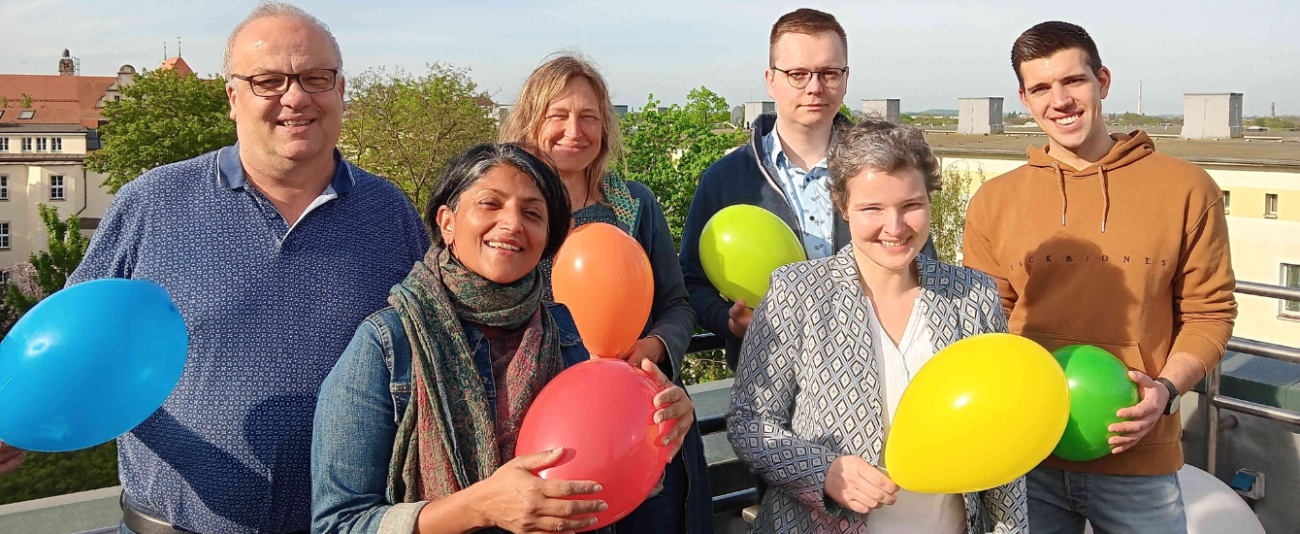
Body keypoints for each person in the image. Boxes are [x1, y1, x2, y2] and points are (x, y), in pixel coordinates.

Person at [66, 4, 430, 533]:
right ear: (233, 98)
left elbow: (433, 351)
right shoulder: (152, 205)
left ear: (341, 91)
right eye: (268, 81)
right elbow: (80, 341)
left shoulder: (390, 213)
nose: (296, 97)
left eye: (316, 78)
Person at [310, 143, 697, 534]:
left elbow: (598, 484)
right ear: (447, 222)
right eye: (490, 204)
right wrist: (479, 507)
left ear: (548, 238)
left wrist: (655, 430)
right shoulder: (388, 345)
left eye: (532, 213)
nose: (513, 223)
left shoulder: (569, 335)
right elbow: (340, 523)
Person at [962, 21, 1237, 534]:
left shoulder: (1187, 189)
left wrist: (1166, 390)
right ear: (1024, 98)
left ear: (1103, 80)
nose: (1060, 100)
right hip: (1027, 458)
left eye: (1074, 81)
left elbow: (1210, 312)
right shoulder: (993, 202)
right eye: (1041, 88)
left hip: (1138, 460)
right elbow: (986, 322)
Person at [727, 119, 1027, 533]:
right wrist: (823, 471)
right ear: (842, 204)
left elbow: (1002, 433)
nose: (896, 227)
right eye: (873, 208)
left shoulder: (973, 296)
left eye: (911, 205)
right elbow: (749, 421)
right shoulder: (797, 292)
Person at [498, 54, 713, 534]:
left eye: (588, 117)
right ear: (530, 122)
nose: (574, 129)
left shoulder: (636, 205)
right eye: (558, 115)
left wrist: (656, 346)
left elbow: (677, 304)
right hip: (554, 434)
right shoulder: (508, 216)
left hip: (643, 424)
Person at [678, 8, 936, 369]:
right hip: (770, 382)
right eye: (797, 74)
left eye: (829, 73)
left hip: (879, 371)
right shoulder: (726, 179)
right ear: (770, 80)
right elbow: (690, 283)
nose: (814, 87)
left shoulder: (886, 169)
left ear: (846, 79)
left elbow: (924, 265)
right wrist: (728, 320)